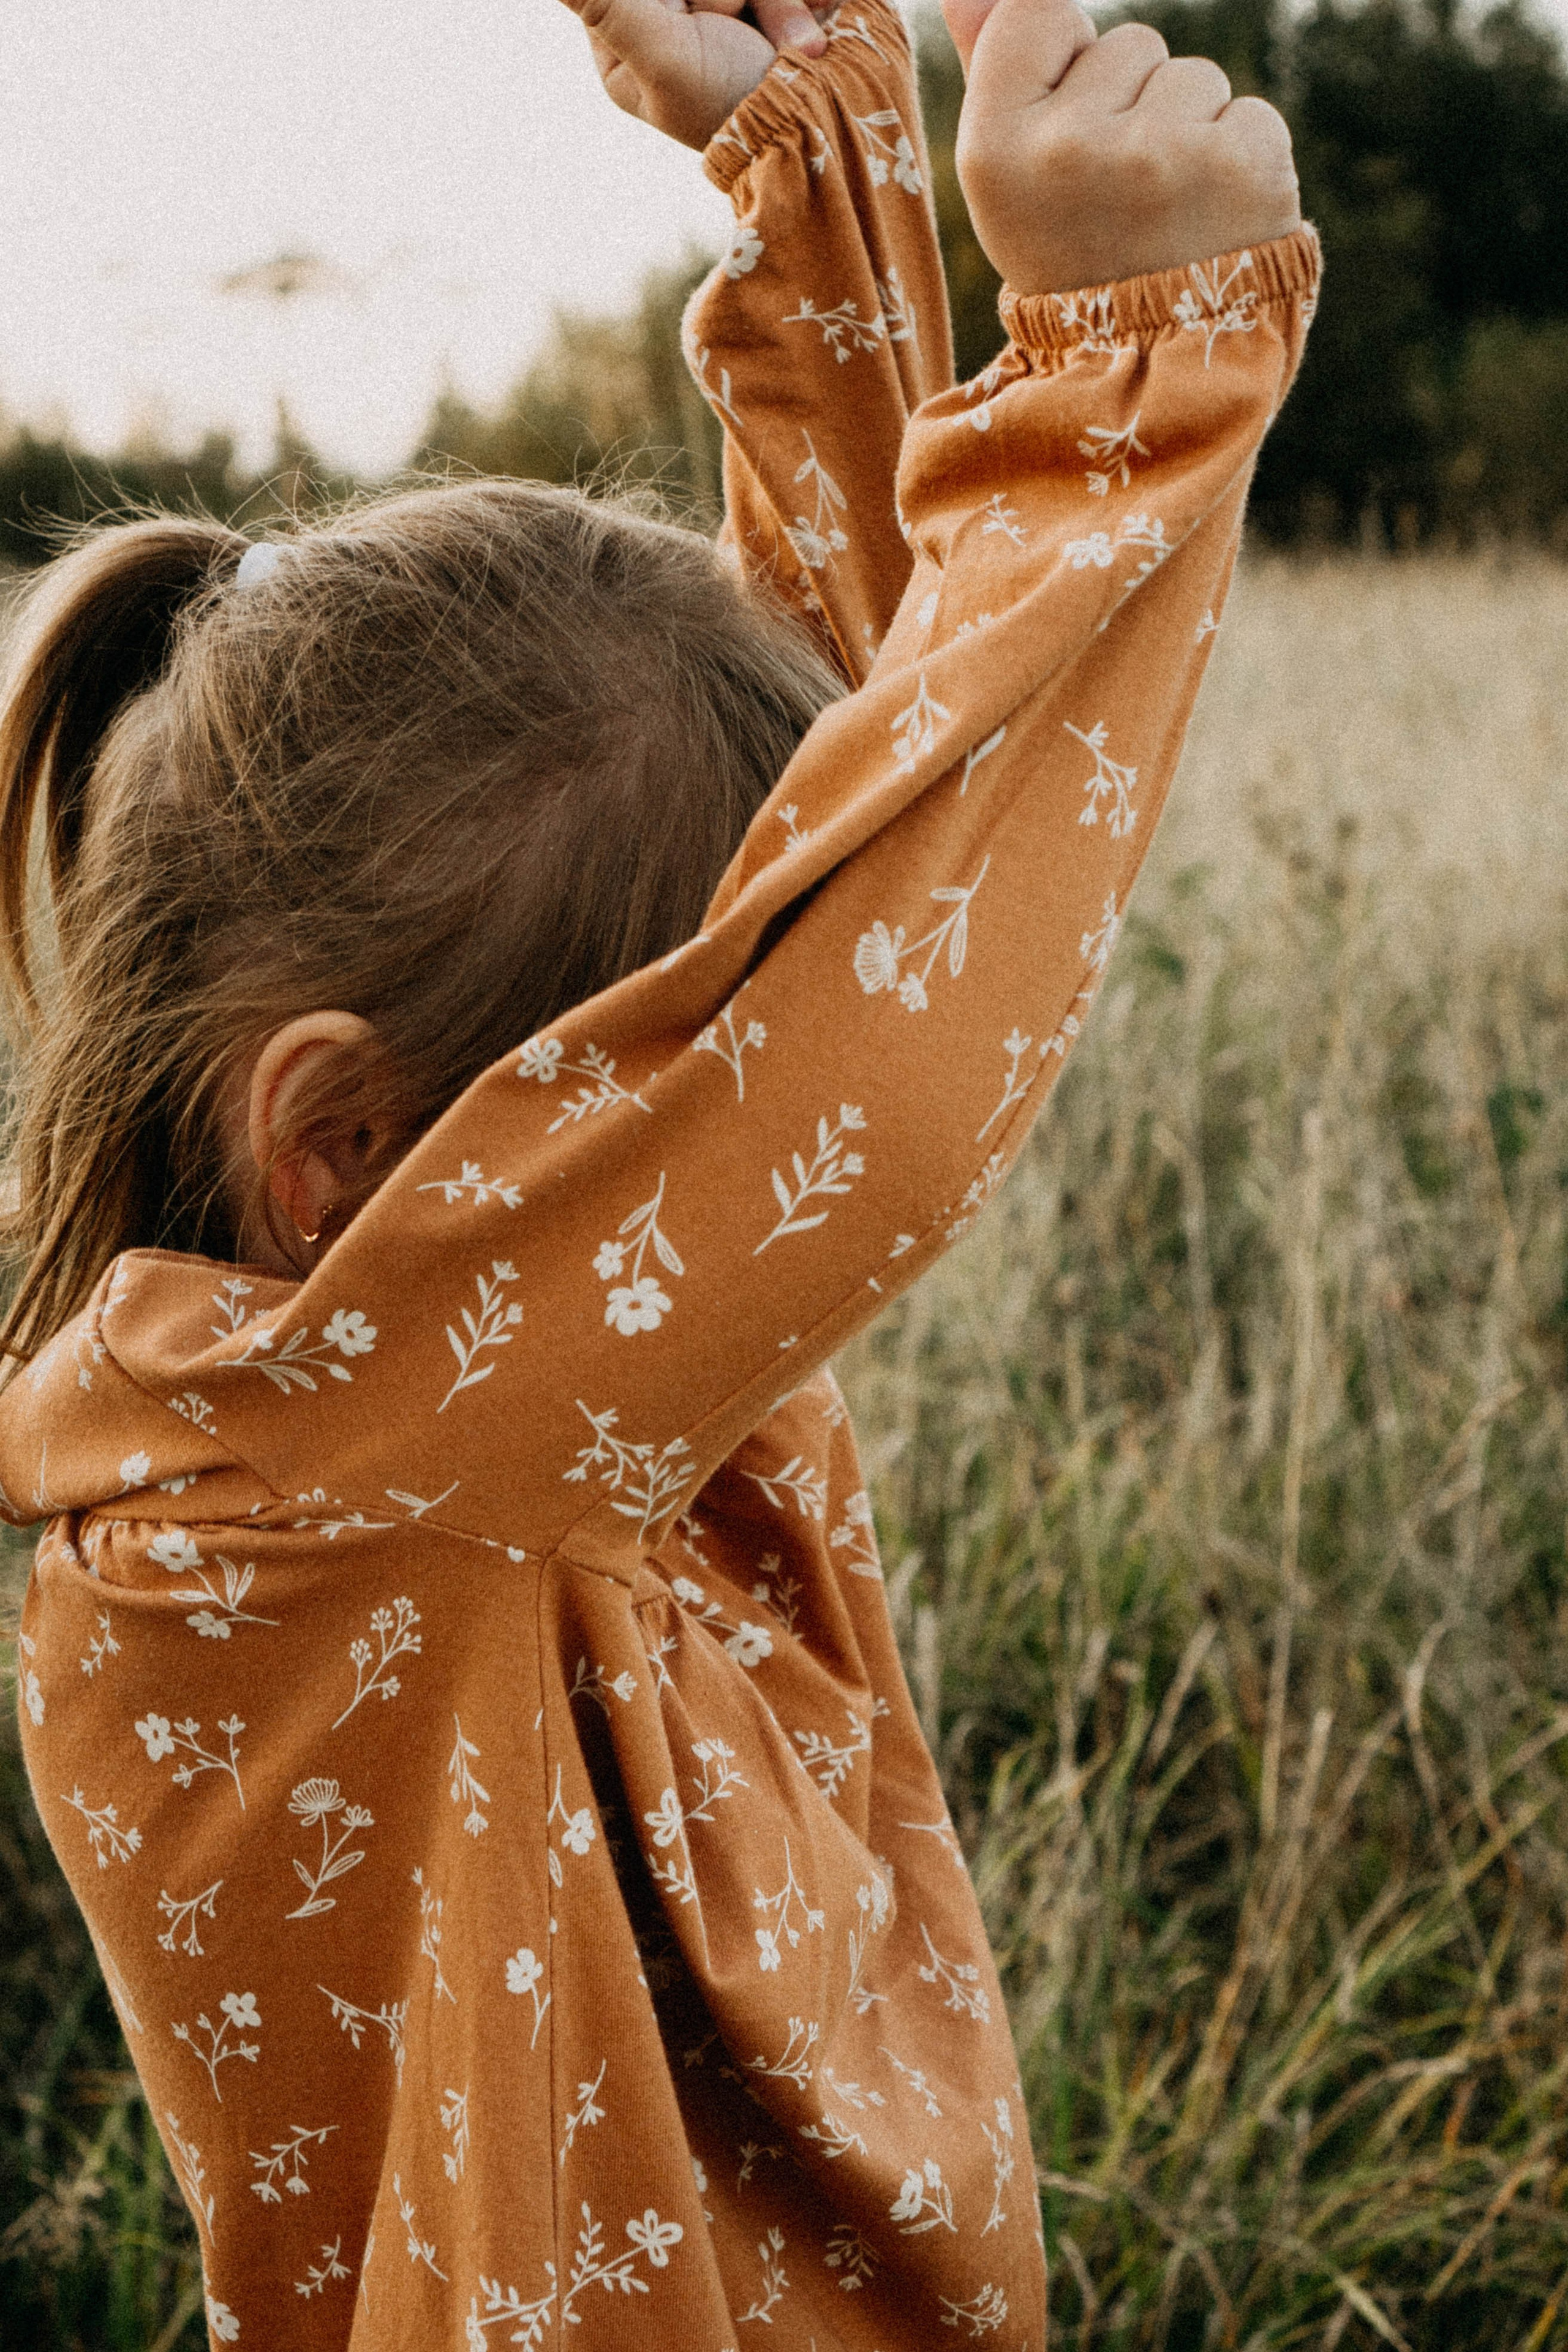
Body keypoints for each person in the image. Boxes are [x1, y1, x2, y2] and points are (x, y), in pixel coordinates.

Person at [1, 0, 1315, 2338]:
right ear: (342, 1144)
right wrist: (1138, 372)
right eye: (682, 1086)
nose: (725, 1115)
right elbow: (865, 1059)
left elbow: (813, 868)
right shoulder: (346, 1472)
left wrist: (824, 195)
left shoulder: (398, 1375)